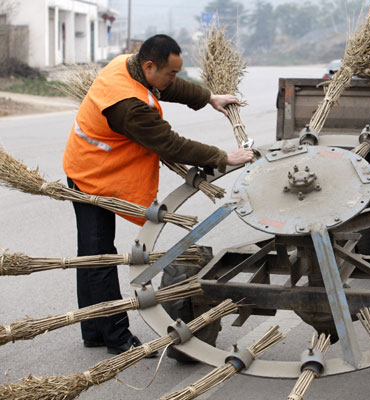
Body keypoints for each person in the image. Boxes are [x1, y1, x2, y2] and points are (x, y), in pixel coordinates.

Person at [62, 34, 253, 355]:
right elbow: (171, 144)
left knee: (93, 254)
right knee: (100, 258)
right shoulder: (128, 106)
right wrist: (224, 157)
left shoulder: (128, 64)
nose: (173, 79)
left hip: (94, 166)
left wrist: (208, 98)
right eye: (171, 72)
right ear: (149, 66)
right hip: (91, 175)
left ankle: (94, 329)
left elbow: (167, 85)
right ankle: (116, 337)